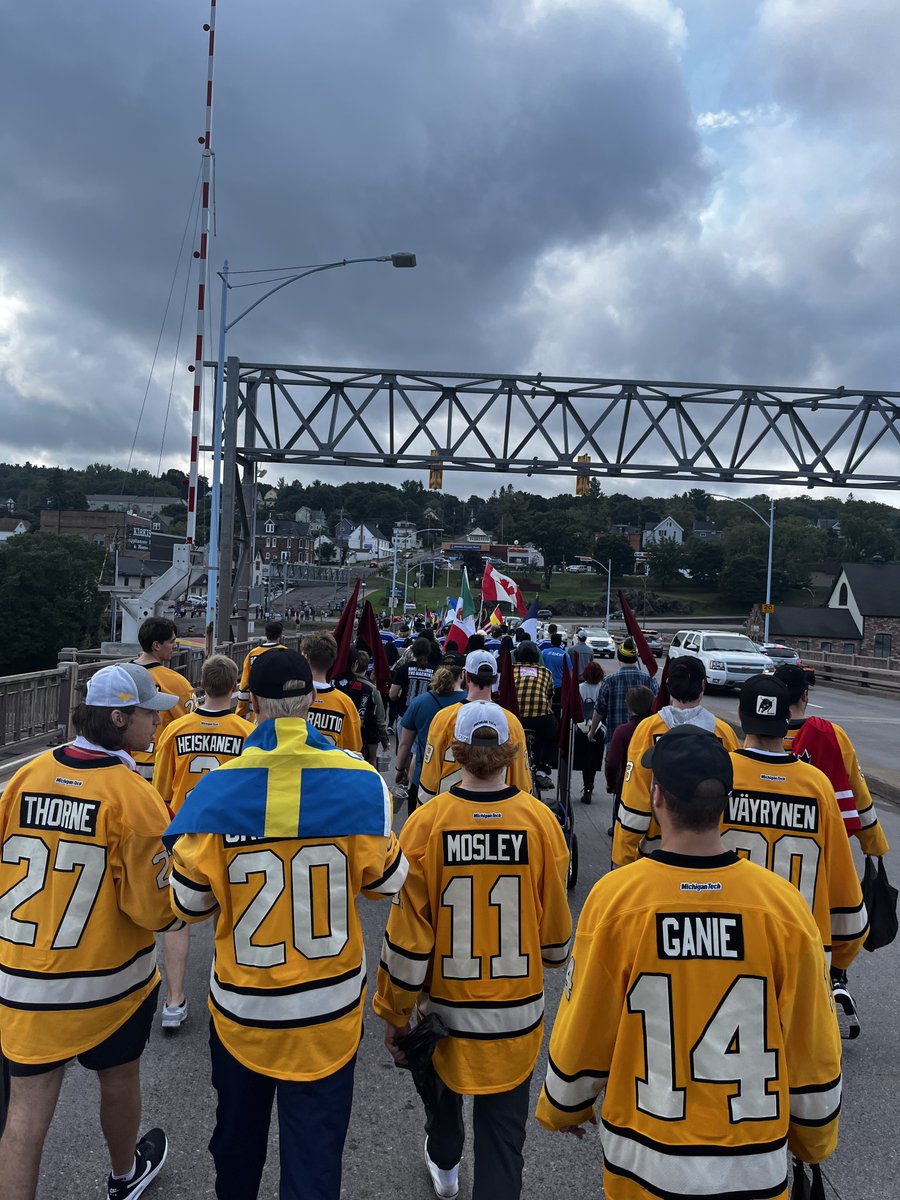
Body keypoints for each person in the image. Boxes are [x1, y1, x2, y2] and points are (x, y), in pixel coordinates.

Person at [536, 725, 843, 1199]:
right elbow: (812, 1040)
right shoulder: (783, 906)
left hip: (644, 1159)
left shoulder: (618, 898)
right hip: (753, 1164)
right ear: (726, 804)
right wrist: (814, 1138)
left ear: (657, 797)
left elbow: (587, 1020)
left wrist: (564, 1105)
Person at [166, 650, 408, 1200]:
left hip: (243, 1005)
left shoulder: (217, 789)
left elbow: (188, 903)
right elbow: (385, 882)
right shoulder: (358, 781)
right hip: (328, 1009)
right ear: (312, 702)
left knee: (236, 1151)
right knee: (315, 1162)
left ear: (252, 705)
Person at [374, 703, 572, 1200]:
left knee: (442, 1099)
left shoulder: (428, 822)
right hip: (514, 1009)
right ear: (513, 751)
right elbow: (553, 943)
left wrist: (394, 1010)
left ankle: (444, 1161)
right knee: (504, 1136)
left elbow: (407, 934)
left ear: (454, 750)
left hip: (443, 1007)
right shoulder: (540, 821)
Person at [0, 663, 182, 1200]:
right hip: (109, 986)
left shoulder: (24, 778)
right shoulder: (133, 795)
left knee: (25, 1117)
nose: (156, 722)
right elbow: (154, 911)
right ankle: (124, 1176)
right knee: (119, 1077)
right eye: (149, 713)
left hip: (25, 980)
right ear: (120, 718)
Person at [726, 674, 869, 1034]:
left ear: (741, 716)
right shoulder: (816, 785)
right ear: (786, 722)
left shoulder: (722, 772)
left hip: (730, 945)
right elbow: (845, 896)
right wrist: (838, 963)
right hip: (803, 951)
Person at [152, 654, 254, 1032]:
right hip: (228, 833)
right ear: (233, 688)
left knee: (178, 918)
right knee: (226, 913)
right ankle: (225, 987)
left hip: (186, 830)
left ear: (201, 685)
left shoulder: (176, 730)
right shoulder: (246, 732)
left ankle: (174, 999)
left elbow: (161, 791)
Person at [612, 655, 738, 864]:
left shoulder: (648, 729)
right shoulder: (724, 733)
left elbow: (634, 801)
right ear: (702, 685)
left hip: (656, 854)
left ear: (668, 686)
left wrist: (622, 856)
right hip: (714, 855)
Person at [775, 663, 890, 857]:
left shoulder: (760, 737)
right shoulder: (832, 735)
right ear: (804, 696)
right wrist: (874, 845)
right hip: (820, 847)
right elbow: (857, 791)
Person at [418, 651, 533, 803]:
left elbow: (429, 780)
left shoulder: (443, 718)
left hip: (450, 815)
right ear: (496, 678)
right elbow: (522, 784)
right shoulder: (511, 721)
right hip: (502, 816)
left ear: (465, 676)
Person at [394, 651, 467, 813]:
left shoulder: (420, 702)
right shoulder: (470, 704)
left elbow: (405, 744)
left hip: (423, 780)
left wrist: (400, 770)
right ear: (463, 674)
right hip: (460, 782)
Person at [130, 616, 195, 781]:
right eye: (171, 641)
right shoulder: (176, 682)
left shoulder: (120, 675)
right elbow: (192, 725)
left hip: (122, 763)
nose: (175, 645)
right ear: (156, 645)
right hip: (157, 768)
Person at [587, 637, 659, 749]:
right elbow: (657, 708)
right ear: (635, 658)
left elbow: (599, 710)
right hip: (642, 740)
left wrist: (592, 732)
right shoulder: (649, 680)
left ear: (619, 657)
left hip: (615, 740)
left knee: (614, 766)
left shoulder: (609, 681)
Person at [301, 630, 362, 751]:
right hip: (332, 768)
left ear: (307, 658)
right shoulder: (345, 704)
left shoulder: (291, 698)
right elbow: (354, 749)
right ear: (333, 661)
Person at [511, 640, 556, 790]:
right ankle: (543, 768)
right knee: (551, 734)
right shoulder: (546, 672)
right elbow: (549, 697)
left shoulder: (510, 670)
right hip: (541, 719)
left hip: (517, 719)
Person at [603, 683, 654, 805]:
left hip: (626, 790)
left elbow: (612, 764)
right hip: (651, 791)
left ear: (630, 706)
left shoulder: (623, 731)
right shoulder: (656, 728)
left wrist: (611, 785)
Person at [572, 661, 608, 804]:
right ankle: (590, 785)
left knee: (585, 759)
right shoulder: (603, 688)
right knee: (594, 758)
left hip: (582, 727)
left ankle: (586, 786)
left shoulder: (579, 688)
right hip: (599, 728)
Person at [235, 620, 286, 718]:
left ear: (266, 634)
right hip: (279, 710)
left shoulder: (252, 654)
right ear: (280, 635)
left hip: (256, 709)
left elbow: (245, 684)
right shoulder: (286, 653)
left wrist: (240, 712)